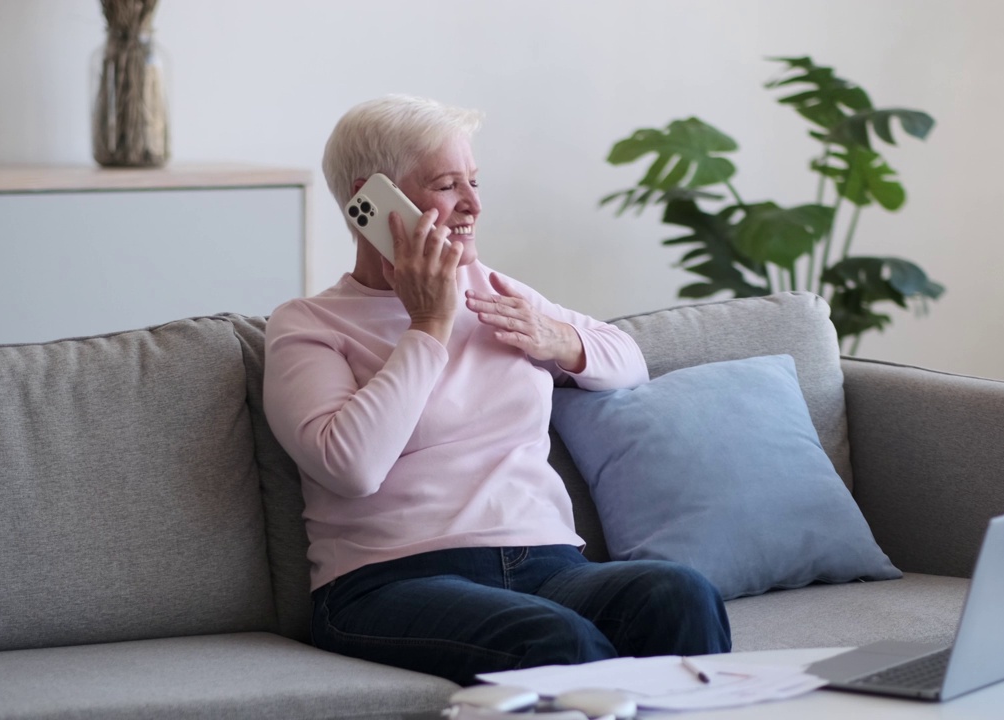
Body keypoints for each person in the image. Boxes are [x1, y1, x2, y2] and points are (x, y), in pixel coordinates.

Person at [263, 95, 730, 686]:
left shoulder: (499, 292)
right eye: (448, 185)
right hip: (391, 582)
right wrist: (428, 325)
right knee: (557, 641)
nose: (474, 205)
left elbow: (629, 361)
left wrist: (558, 339)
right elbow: (351, 466)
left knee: (680, 594)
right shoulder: (310, 324)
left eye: (475, 182)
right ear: (370, 204)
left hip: (551, 564)